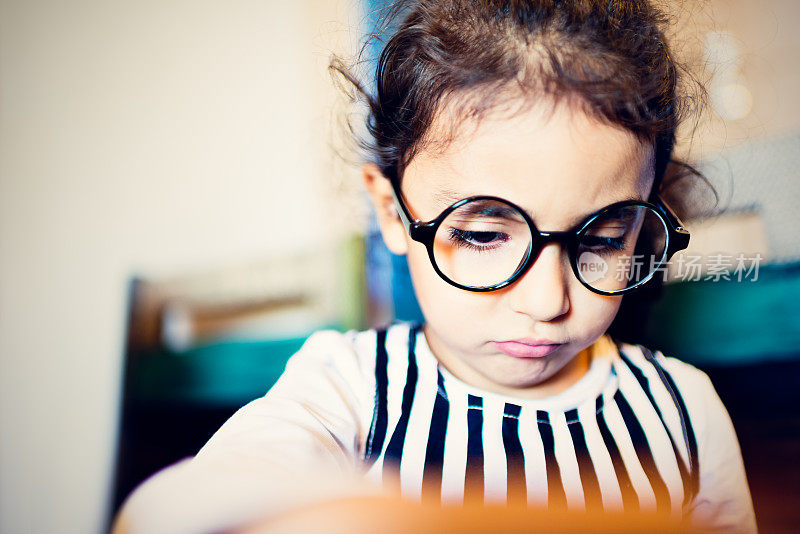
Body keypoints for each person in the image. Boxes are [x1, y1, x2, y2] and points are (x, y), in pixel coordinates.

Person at [115, 1, 756, 532]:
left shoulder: (683, 410)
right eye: (481, 234)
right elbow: (167, 514)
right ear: (393, 214)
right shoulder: (350, 387)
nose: (547, 301)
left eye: (606, 238)